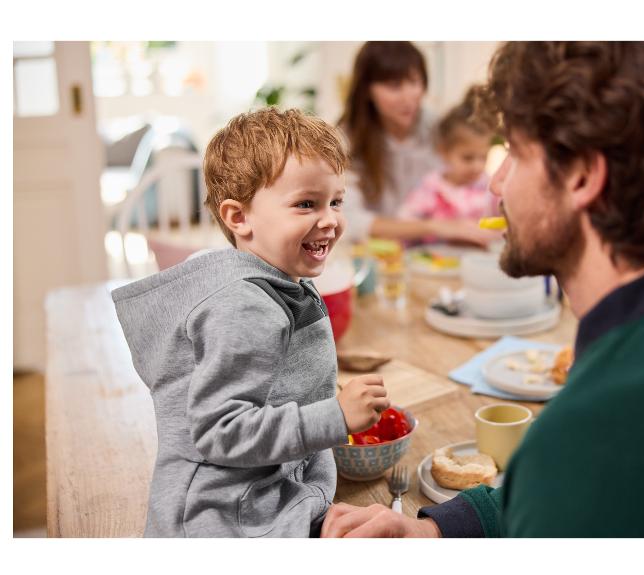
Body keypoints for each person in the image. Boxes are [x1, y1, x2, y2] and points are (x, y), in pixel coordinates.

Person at [322, 41, 644, 538]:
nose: (496, 185)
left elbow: (578, 472)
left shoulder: (582, 436)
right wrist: (438, 532)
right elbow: (595, 485)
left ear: (582, 176)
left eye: (512, 151)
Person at [111, 107, 390, 537]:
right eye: (306, 204)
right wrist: (333, 416)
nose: (331, 219)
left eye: (335, 201)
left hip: (260, 486)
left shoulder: (272, 273)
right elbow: (220, 431)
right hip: (226, 513)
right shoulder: (243, 308)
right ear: (238, 218)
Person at [339, 41, 497, 247]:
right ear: (367, 90)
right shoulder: (344, 140)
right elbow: (349, 220)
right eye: (394, 86)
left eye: (415, 82)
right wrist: (434, 226)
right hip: (377, 255)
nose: (409, 97)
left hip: (436, 256)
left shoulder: (437, 128)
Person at [397, 86, 499, 232]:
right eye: (467, 158)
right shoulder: (432, 187)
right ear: (444, 152)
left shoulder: (490, 186)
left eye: (484, 157)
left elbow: (508, 216)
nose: (478, 166)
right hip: (438, 254)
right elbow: (404, 222)